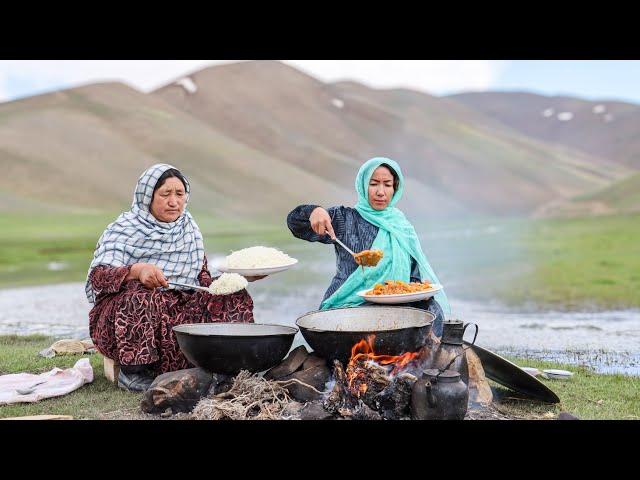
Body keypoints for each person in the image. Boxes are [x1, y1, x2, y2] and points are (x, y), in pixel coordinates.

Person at [86, 163, 258, 391]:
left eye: (180, 194)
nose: (174, 202)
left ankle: (227, 363)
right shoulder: (125, 228)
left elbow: (202, 281)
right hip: (126, 320)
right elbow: (98, 277)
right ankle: (134, 373)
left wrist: (238, 278)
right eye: (165, 194)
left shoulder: (188, 229)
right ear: (147, 196)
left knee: (232, 294)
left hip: (177, 312)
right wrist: (135, 271)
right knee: (140, 295)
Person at [287, 157, 449, 337]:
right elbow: (296, 224)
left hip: (397, 309)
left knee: (432, 309)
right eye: (374, 184)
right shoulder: (345, 219)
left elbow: (413, 279)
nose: (381, 192)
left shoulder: (402, 227)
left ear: (395, 188)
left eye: (387, 185)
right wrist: (313, 211)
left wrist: (421, 292)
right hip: (351, 308)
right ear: (363, 185)